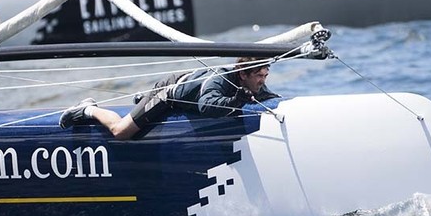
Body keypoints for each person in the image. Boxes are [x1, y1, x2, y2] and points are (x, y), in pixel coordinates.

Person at [59, 57, 277, 139]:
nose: (262, 80)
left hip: (188, 88)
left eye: (265, 75)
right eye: (259, 76)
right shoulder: (219, 80)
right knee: (121, 132)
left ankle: (140, 99)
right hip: (168, 92)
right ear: (243, 75)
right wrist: (237, 100)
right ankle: (88, 108)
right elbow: (207, 106)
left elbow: (269, 97)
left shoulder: (251, 81)